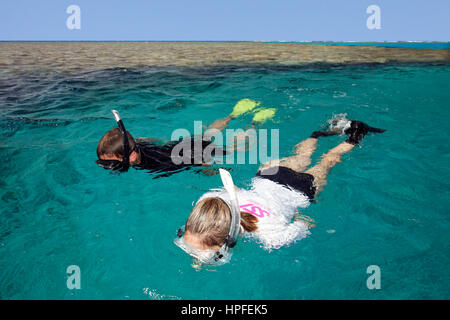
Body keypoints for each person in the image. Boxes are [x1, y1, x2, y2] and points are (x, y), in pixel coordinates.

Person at [175, 116, 386, 264]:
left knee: (329, 160)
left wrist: (291, 214)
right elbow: (235, 188)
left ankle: (357, 133)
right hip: (267, 176)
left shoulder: (271, 236)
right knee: (302, 156)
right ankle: (319, 133)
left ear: (229, 240)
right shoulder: (210, 199)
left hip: (300, 191)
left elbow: (308, 222)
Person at [96, 99, 276, 177]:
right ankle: (232, 115)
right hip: (181, 144)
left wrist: (209, 170)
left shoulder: (154, 163)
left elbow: (189, 162)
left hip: (194, 154)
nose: (112, 168)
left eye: (114, 163)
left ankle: (255, 122)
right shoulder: (137, 145)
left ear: (132, 156)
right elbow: (149, 140)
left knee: (236, 147)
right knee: (208, 134)